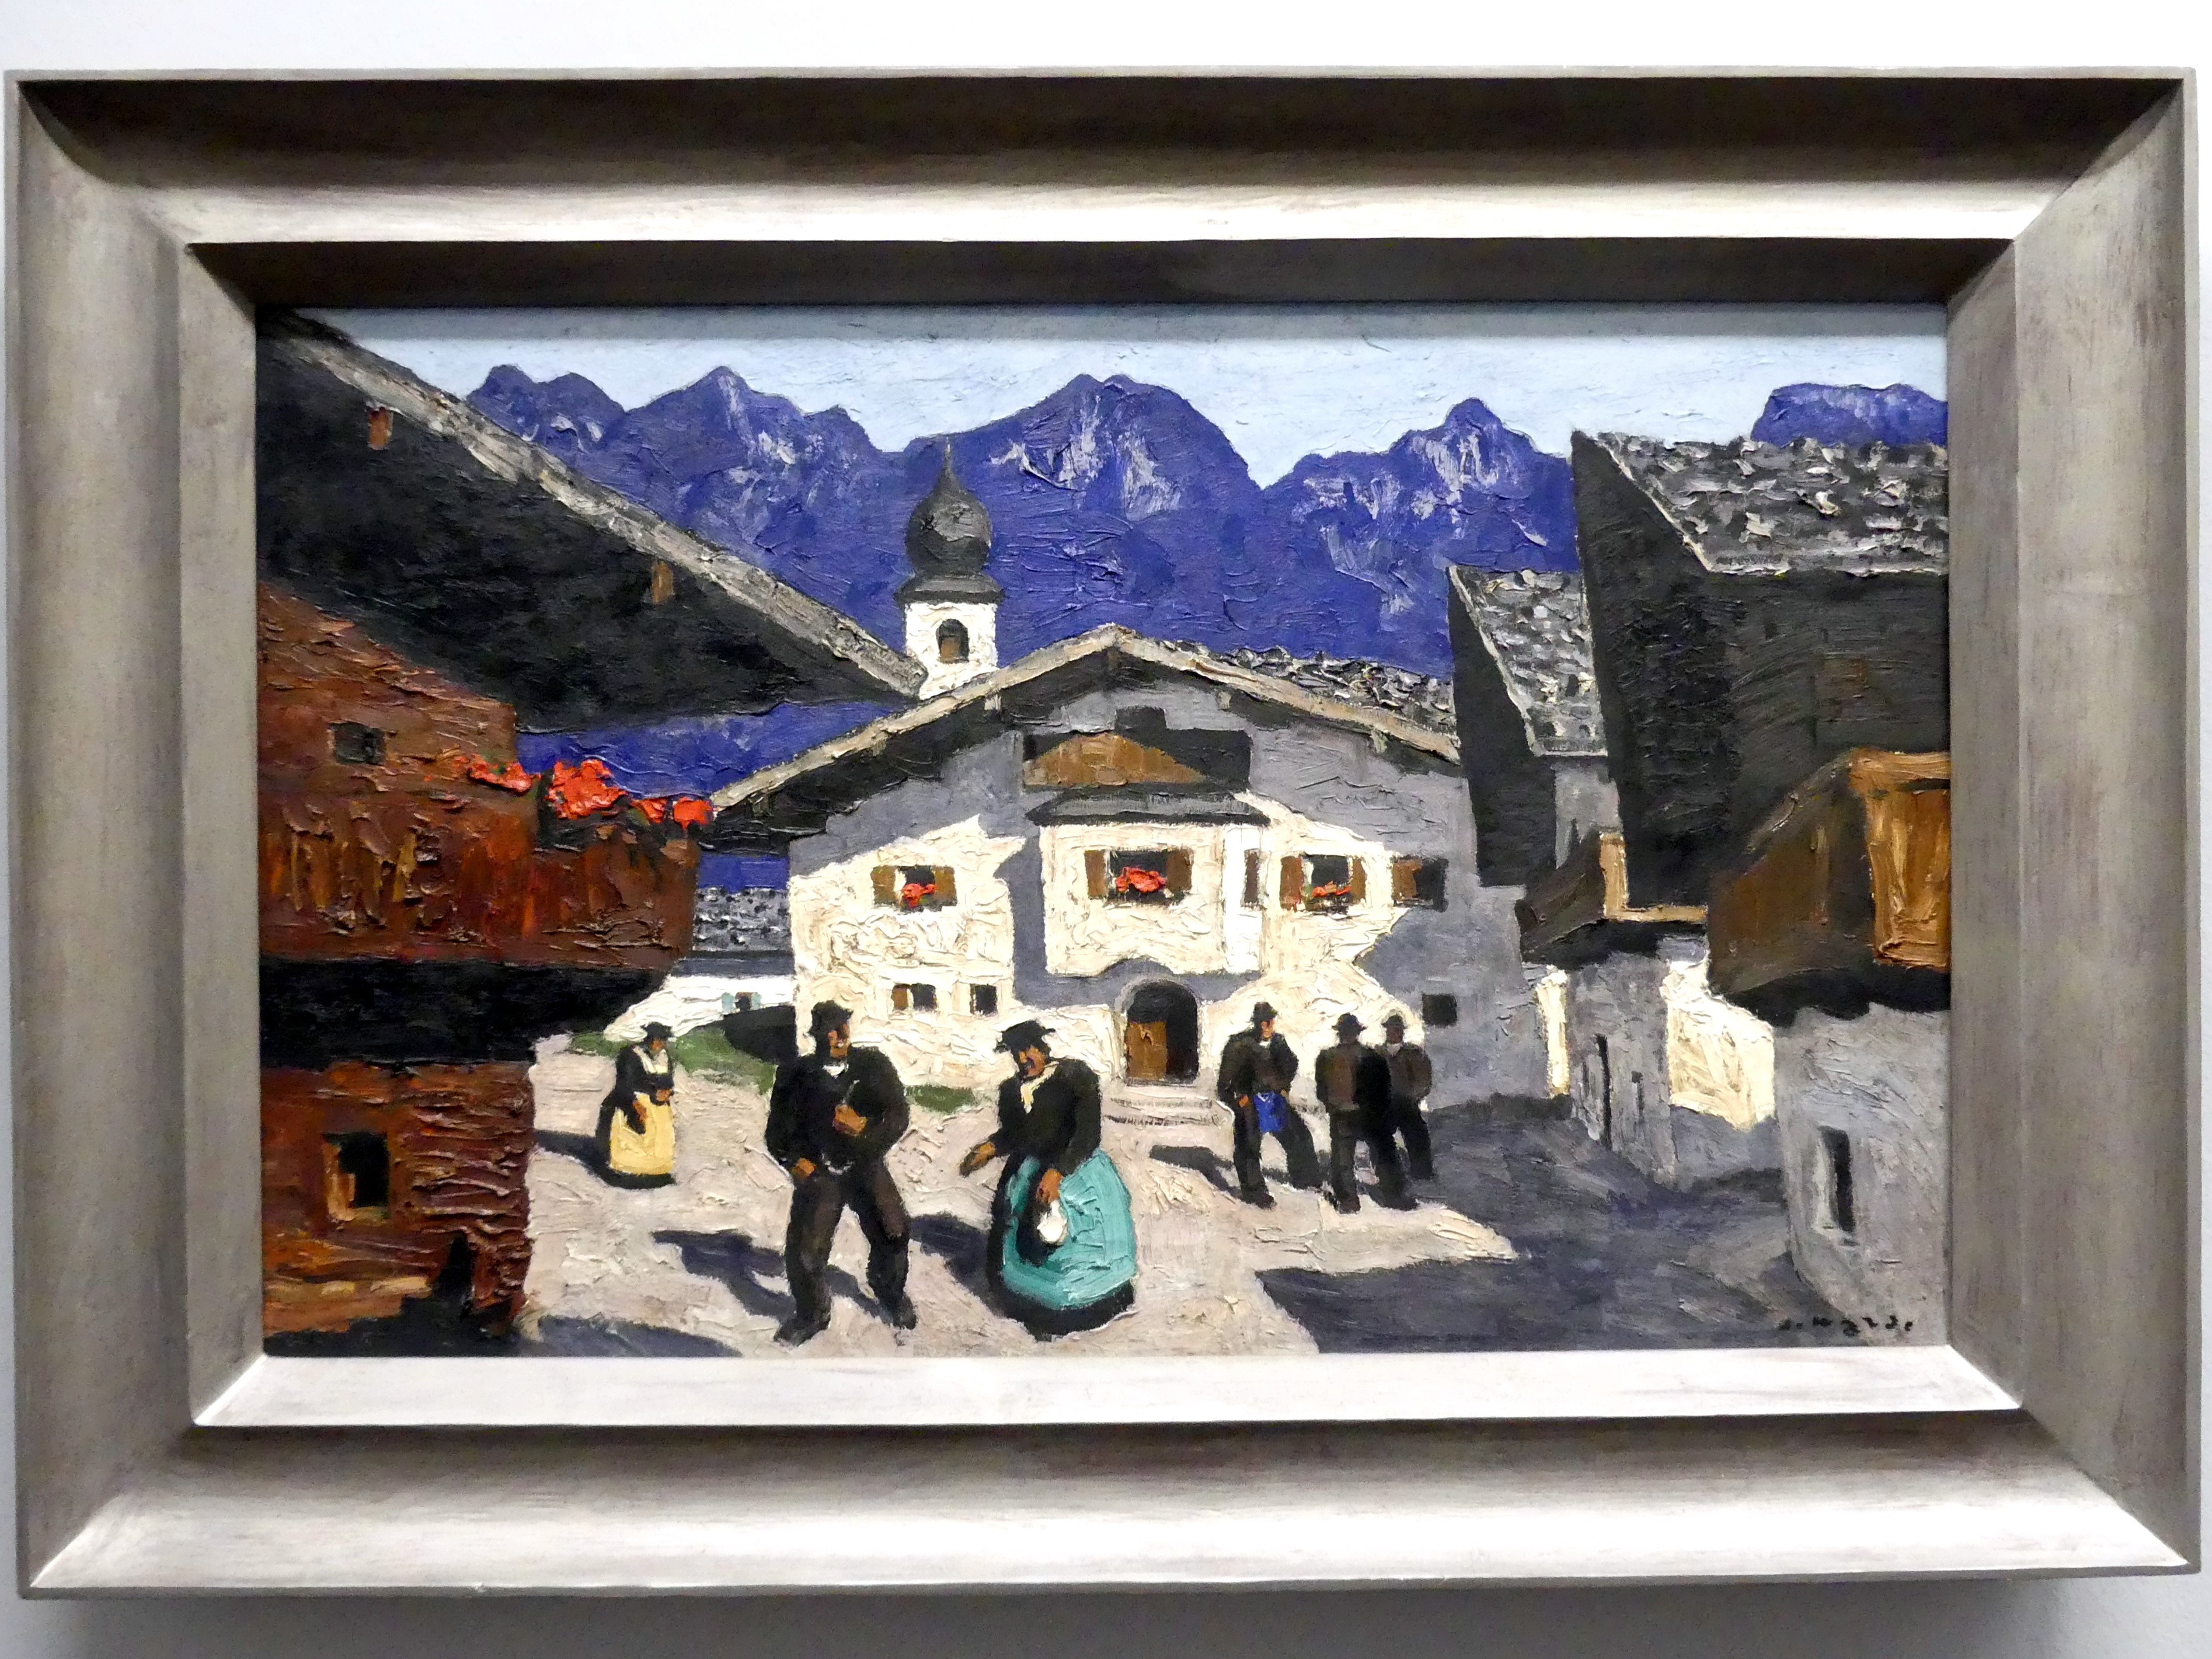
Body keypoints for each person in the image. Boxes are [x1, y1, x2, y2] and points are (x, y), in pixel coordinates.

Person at [959, 1020, 1137, 1337]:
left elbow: (1088, 1133)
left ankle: (1086, 1304)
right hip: (1029, 1171)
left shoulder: (1075, 1077)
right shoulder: (1010, 1090)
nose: (1023, 1058)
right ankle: (1033, 1305)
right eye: (1016, 1052)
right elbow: (1014, 1135)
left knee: (1073, 1236)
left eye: (1028, 1049)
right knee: (1020, 1233)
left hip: (1075, 1169)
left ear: (1043, 1048)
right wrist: (990, 1148)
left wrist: (1057, 1172)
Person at [765, 1001, 915, 1346]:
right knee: (806, 1252)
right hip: (819, 1169)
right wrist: (794, 1162)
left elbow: (898, 1115)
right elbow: (777, 1133)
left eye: (843, 1026)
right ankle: (813, 1313)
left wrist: (865, 1129)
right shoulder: (795, 1075)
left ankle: (888, 1289)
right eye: (831, 1029)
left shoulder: (873, 1065)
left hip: (864, 1162)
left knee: (894, 1229)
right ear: (819, 1036)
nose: (840, 1034)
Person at [1213, 1001, 1322, 1208]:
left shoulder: (1279, 1042)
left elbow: (1291, 1064)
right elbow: (1224, 1082)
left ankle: (1306, 1179)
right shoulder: (1239, 1045)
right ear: (1256, 1023)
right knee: (1248, 1145)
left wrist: (1284, 1087)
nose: (1268, 1025)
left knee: (1299, 1135)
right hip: (1249, 1101)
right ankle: (1255, 1192)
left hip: (1274, 1100)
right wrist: (1238, 1100)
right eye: (1264, 1022)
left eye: (1270, 1021)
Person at [1314, 1012, 1413, 1212]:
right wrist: (1381, 1113)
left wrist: (1333, 1106)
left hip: (1342, 1114)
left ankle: (1348, 1201)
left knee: (1342, 1159)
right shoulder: (1372, 1056)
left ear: (1340, 1033)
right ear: (1357, 1033)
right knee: (1384, 1153)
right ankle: (1395, 1196)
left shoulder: (1326, 1057)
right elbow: (1385, 1090)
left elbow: (1322, 1091)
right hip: (1370, 1115)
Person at [594, 1022, 677, 1188]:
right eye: (659, 1040)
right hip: (632, 1101)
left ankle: (658, 1170)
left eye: (663, 1041)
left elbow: (668, 1081)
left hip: (657, 1103)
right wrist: (636, 1104)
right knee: (633, 1134)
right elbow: (624, 1084)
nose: (661, 1044)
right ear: (650, 1040)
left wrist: (666, 1092)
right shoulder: (630, 1055)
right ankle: (630, 1171)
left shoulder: (664, 1057)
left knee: (661, 1136)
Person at [1379, 1012, 1437, 1181]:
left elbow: (1424, 1080)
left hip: (1407, 1103)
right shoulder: (1378, 1053)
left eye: (1396, 1030)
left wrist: (1414, 1097)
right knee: (1381, 1138)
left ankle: (1422, 1172)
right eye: (1390, 1029)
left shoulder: (1414, 1053)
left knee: (1418, 1135)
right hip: (1384, 1104)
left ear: (1402, 1032)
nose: (1393, 1033)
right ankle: (1388, 1175)